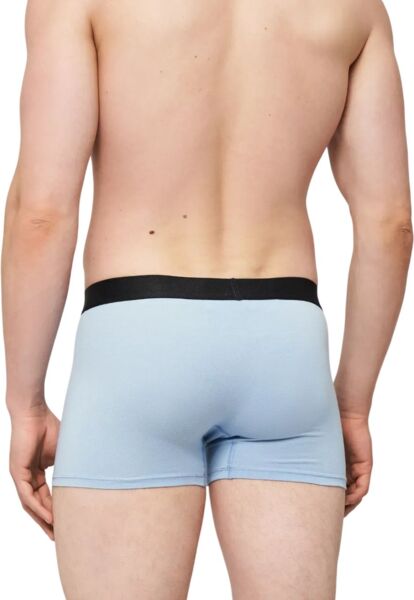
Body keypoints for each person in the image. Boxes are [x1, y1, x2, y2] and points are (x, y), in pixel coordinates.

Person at [2, 0, 412, 598]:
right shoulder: (358, 10)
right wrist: (352, 406)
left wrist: (25, 404)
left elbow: (41, 215)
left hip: (137, 338)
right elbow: (390, 224)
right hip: (286, 344)